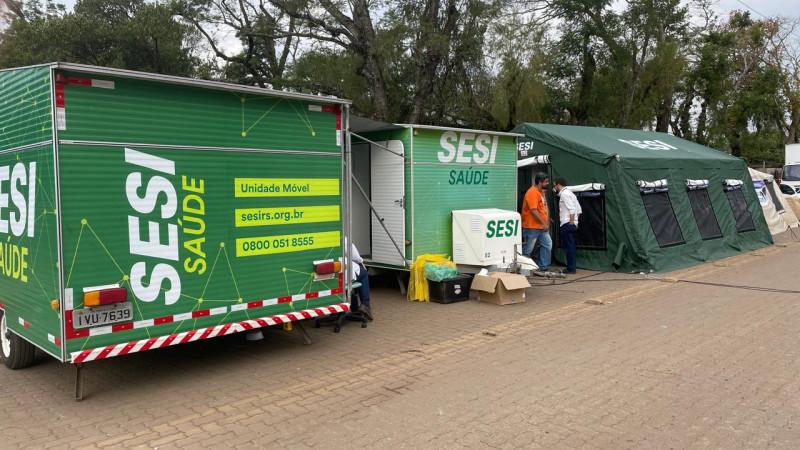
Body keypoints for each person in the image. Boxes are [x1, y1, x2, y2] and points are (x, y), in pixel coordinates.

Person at [521, 172, 552, 271]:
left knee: (547, 245)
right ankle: (524, 269)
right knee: (528, 249)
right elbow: (533, 210)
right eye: (546, 182)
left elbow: (543, 208)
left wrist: (547, 220)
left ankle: (543, 267)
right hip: (532, 227)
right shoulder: (532, 192)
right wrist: (544, 223)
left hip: (541, 227)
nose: (547, 183)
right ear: (539, 182)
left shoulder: (540, 192)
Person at [554, 177, 582, 274]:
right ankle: (571, 267)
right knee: (571, 246)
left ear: (558, 184)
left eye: (555, 185)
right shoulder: (571, 193)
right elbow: (579, 209)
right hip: (572, 223)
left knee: (569, 247)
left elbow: (572, 209)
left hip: (566, 223)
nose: (555, 187)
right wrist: (575, 222)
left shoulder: (564, 194)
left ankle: (570, 268)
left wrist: (571, 222)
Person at [349, 241, 373, 320]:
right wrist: (361, 261)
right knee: (363, 274)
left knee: (353, 280)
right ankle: (365, 304)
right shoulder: (344, 240)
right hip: (345, 273)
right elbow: (356, 257)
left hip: (331, 275)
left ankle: (354, 307)